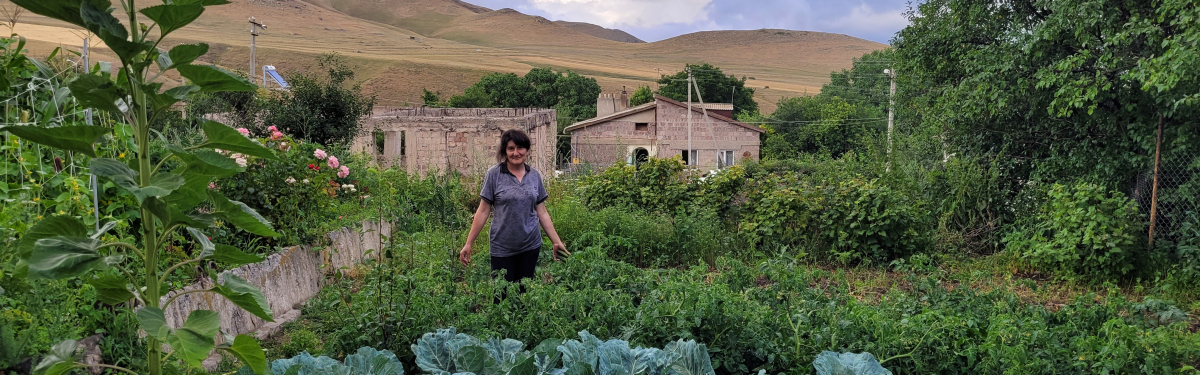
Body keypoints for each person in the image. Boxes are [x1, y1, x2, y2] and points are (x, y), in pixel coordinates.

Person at [460, 129, 568, 289]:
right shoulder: (494, 175)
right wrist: (468, 243)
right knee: (501, 294)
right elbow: (483, 211)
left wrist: (557, 242)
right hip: (502, 247)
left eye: (520, 148)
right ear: (504, 151)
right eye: (511, 148)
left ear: (527, 150)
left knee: (524, 294)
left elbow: (542, 212)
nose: (516, 153)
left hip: (530, 245)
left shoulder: (534, 176)